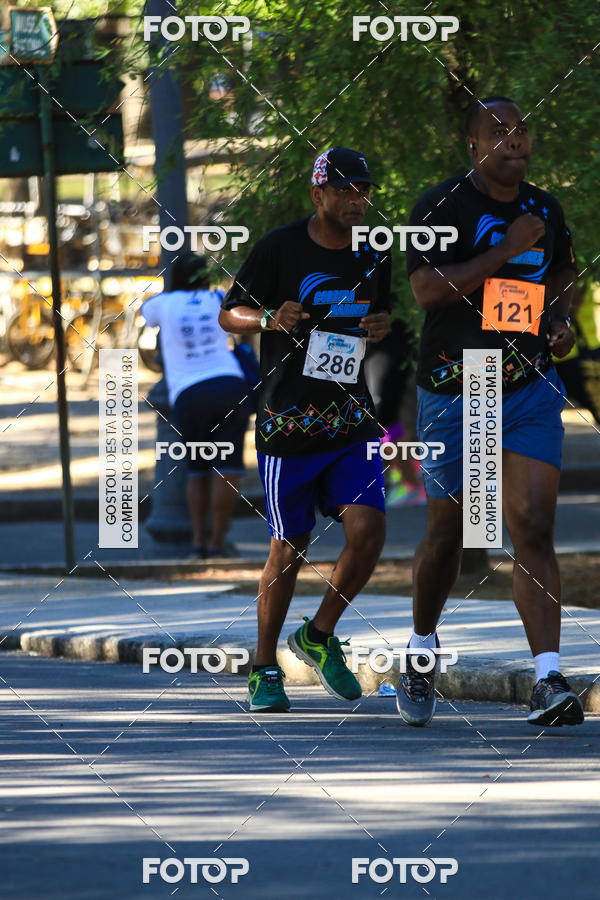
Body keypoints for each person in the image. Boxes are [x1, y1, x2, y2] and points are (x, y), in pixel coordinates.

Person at [399, 96, 584, 728]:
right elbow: (425, 291)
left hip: (530, 384)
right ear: (472, 146)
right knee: (450, 534)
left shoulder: (546, 209)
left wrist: (560, 319)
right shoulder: (440, 206)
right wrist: (503, 250)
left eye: (523, 130)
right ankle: (421, 651)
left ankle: (548, 677)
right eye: (498, 131)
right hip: (460, 387)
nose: (515, 140)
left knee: (531, 524)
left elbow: (563, 274)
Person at [219, 147, 391, 712]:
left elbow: (380, 321)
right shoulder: (279, 247)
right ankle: (264, 666)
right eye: (342, 190)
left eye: (361, 189)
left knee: (368, 533)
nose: (353, 200)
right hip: (288, 424)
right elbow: (229, 314)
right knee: (288, 549)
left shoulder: (375, 249)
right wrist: (269, 318)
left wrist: (379, 326)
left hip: (350, 421)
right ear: (318, 195)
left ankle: (317, 636)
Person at [142, 253, 250, 557]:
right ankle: (218, 542)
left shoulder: (163, 304)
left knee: (197, 469)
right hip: (231, 384)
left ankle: (199, 541)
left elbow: (144, 315)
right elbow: (242, 328)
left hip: (190, 393)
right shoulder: (218, 297)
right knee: (228, 467)